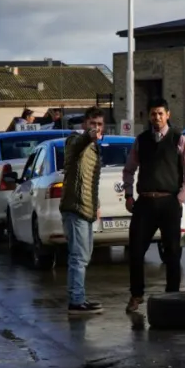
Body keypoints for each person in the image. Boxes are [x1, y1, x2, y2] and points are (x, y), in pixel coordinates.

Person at [122, 98, 185, 314]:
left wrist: (179, 198)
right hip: (144, 202)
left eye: (160, 114)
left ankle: (172, 296)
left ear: (168, 115)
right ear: (149, 116)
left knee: (172, 252)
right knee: (136, 251)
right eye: (153, 114)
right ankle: (136, 295)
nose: (157, 117)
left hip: (169, 203)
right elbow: (129, 169)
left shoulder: (178, 139)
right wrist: (129, 194)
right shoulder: (141, 140)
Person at [59, 107, 107, 315]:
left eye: (99, 125)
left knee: (84, 255)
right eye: (92, 124)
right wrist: (89, 136)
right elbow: (79, 142)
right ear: (84, 125)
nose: (96, 128)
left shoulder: (95, 150)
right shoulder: (73, 142)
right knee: (78, 257)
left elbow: (92, 182)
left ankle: (79, 298)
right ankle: (76, 302)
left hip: (86, 209)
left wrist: (96, 206)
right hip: (75, 207)